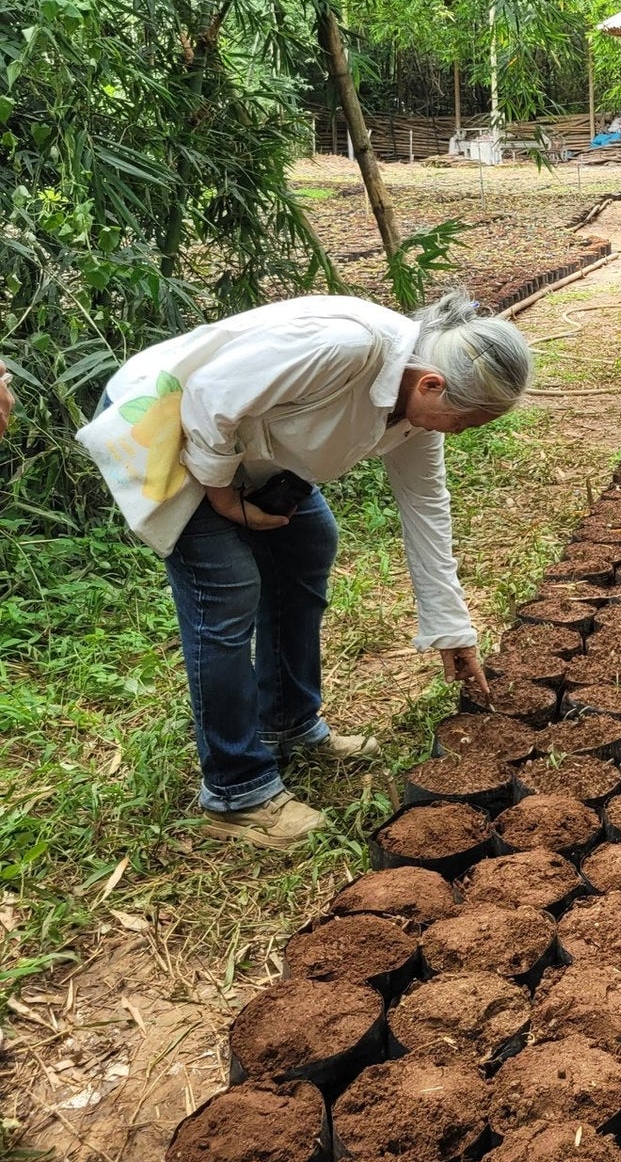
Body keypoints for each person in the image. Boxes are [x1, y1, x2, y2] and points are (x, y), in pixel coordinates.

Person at [79, 291, 532, 849]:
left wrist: (452, 629)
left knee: (308, 541)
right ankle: (235, 791)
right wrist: (223, 497)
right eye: (467, 421)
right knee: (226, 590)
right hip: (167, 423)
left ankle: (289, 723)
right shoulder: (345, 347)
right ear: (432, 384)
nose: (458, 433)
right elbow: (209, 397)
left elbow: (426, 509)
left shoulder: (416, 413)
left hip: (249, 447)